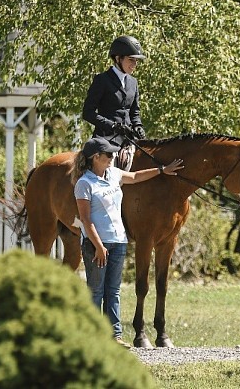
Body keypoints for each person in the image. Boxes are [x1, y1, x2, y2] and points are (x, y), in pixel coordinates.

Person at [72, 137, 184, 348]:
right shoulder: (84, 183)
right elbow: (85, 219)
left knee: (113, 290)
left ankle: (114, 336)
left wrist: (162, 169)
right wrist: (98, 246)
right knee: (96, 290)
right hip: (97, 244)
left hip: (118, 241)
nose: (113, 157)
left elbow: (134, 176)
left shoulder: (113, 174)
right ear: (96, 158)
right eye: (108, 155)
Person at [82, 35, 147, 170]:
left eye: (136, 61)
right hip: (106, 139)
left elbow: (134, 111)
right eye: (131, 60)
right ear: (118, 58)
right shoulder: (102, 80)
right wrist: (112, 126)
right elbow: (88, 113)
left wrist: (138, 126)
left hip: (129, 138)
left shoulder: (133, 82)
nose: (135, 65)